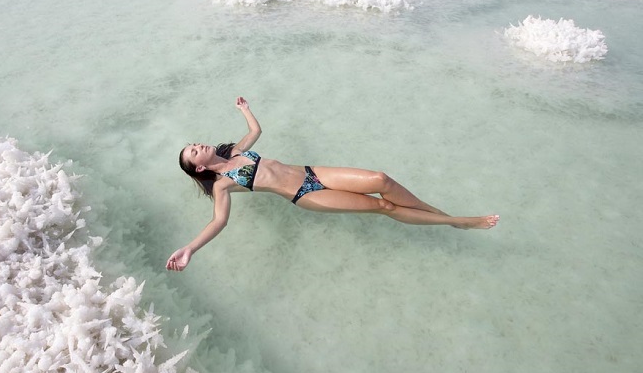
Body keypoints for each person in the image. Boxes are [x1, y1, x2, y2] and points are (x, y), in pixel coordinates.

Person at [166, 97, 499, 271]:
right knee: (384, 206)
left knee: (380, 179)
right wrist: (190, 249)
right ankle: (456, 221)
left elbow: (256, 132)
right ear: (197, 167)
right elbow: (218, 221)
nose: (200, 146)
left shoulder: (236, 151)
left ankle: (441, 216)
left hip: (313, 171)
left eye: (196, 143)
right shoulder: (223, 185)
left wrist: (245, 110)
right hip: (305, 194)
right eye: (194, 151)